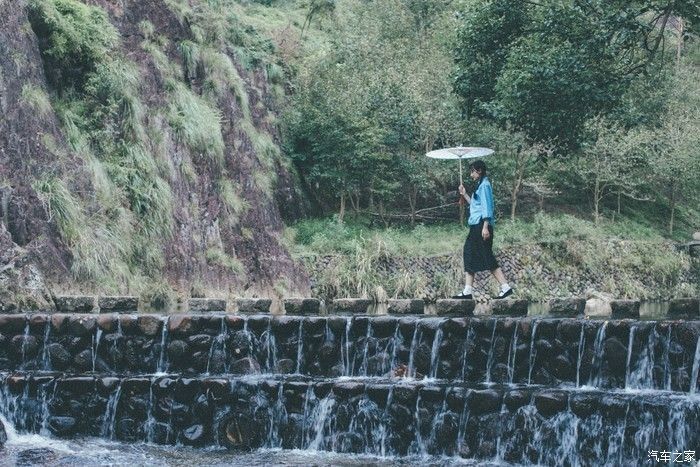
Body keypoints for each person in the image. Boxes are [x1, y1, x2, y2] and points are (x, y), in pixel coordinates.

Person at [452, 160, 513, 300]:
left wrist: (485, 227)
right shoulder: (479, 185)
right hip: (476, 225)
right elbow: (475, 205)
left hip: (481, 225)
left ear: (479, 171)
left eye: (472, 171)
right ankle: (468, 290)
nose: (471, 174)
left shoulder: (485, 185)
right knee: (470, 253)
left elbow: (487, 207)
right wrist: (464, 194)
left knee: (484, 255)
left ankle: (505, 287)